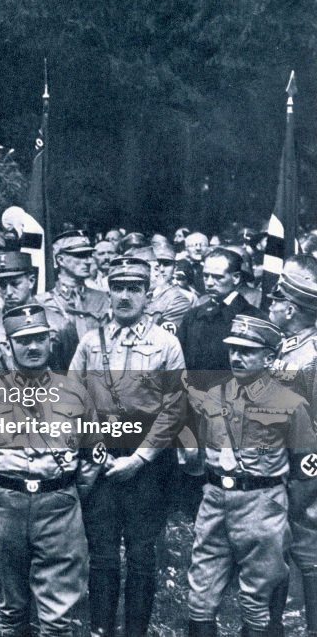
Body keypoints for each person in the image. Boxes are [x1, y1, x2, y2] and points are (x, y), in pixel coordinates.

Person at [0, 304, 101, 637]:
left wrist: (66, 491)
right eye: (23, 341)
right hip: (2, 506)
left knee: (57, 616)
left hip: (58, 507)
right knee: (10, 609)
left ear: (51, 341)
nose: (32, 347)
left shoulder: (75, 393)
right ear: (8, 346)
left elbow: (93, 454)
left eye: (38, 339)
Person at [68, 256, 186, 637]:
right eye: (117, 287)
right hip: (100, 460)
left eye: (133, 288)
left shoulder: (166, 343)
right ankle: (101, 628)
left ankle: (135, 630)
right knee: (101, 555)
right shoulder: (90, 341)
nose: (124, 296)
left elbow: (175, 407)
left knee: (140, 555)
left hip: (149, 463)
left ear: (147, 294)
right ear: (108, 291)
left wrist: (140, 458)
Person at [184, 315, 317, 637]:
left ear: (269, 358)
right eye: (233, 350)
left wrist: (282, 511)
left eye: (248, 351)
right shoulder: (214, 396)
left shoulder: (291, 403)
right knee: (199, 598)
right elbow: (201, 454)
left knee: (257, 602)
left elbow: (307, 470)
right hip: (215, 503)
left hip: (262, 506)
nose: (237, 357)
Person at [267, 263, 317, 637]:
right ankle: (272, 627)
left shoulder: (312, 354)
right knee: (277, 550)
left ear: (291, 308)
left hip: (303, 469)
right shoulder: (285, 346)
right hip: (276, 465)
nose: (271, 304)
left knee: (308, 552)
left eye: (277, 300)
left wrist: (305, 480)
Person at [0, 251, 79, 372]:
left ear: (31, 281)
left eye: (15, 284)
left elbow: (73, 377)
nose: (8, 292)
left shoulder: (60, 326)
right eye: (2, 285)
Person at [178, 248, 260, 390]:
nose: (209, 283)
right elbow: (179, 362)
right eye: (206, 276)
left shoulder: (252, 317)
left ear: (236, 278)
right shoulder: (192, 316)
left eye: (218, 277)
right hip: (192, 398)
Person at [38, 230, 111, 340]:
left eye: (89, 255)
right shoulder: (43, 302)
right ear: (60, 260)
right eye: (80, 255)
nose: (88, 261)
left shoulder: (102, 298)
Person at [140, 243, 191, 332]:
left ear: (175, 268)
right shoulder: (144, 294)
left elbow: (162, 337)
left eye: (166, 264)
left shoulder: (179, 300)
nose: (161, 269)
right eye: (157, 265)